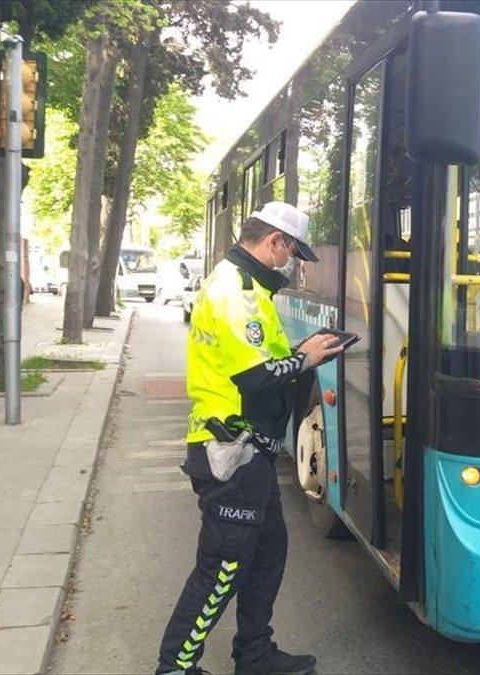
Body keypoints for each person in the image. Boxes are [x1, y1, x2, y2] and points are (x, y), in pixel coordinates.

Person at [155, 202, 346, 675]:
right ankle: (174, 669)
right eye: (292, 252)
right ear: (275, 241)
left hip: (250, 451)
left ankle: (254, 655)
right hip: (229, 450)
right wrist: (307, 357)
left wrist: (301, 358)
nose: (291, 262)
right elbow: (255, 377)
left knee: (267, 552)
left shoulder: (248, 288)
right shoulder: (237, 291)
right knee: (223, 567)